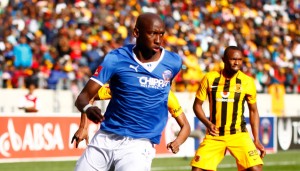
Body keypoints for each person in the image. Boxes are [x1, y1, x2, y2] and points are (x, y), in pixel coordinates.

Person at [74, 12, 186, 171]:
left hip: (139, 144)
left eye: (161, 34)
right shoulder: (116, 58)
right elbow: (83, 97)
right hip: (105, 137)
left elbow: (168, 85)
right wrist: (87, 110)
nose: (158, 40)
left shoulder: (173, 62)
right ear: (136, 33)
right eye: (152, 33)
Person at [190, 46, 266, 171]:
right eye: (233, 59)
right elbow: (197, 106)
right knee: (197, 169)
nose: (237, 62)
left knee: (256, 169)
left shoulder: (247, 82)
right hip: (215, 135)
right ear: (224, 59)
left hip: (238, 134)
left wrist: (256, 139)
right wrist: (208, 124)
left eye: (240, 59)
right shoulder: (210, 78)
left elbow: (253, 111)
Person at [71, 84, 191, 154]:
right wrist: (83, 127)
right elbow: (88, 96)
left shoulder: (167, 96)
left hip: (140, 146)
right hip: (110, 139)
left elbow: (185, 125)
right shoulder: (127, 85)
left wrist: (177, 142)